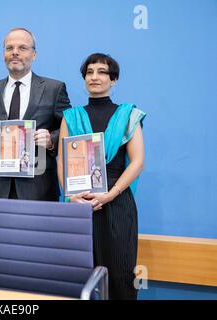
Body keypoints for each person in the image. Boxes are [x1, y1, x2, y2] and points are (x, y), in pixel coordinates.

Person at [57, 53, 146, 300]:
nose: (94, 77)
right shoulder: (71, 116)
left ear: (113, 80)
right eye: (89, 72)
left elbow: (137, 162)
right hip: (81, 205)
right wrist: (71, 196)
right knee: (79, 276)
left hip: (117, 203)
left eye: (102, 72)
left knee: (120, 274)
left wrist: (110, 195)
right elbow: (62, 161)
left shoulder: (128, 114)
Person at [0, 27, 71, 200]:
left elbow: (70, 131)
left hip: (40, 187)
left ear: (34, 54)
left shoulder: (54, 89)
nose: (15, 53)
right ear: (4, 53)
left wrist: (51, 140)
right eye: (9, 48)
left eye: (22, 48)